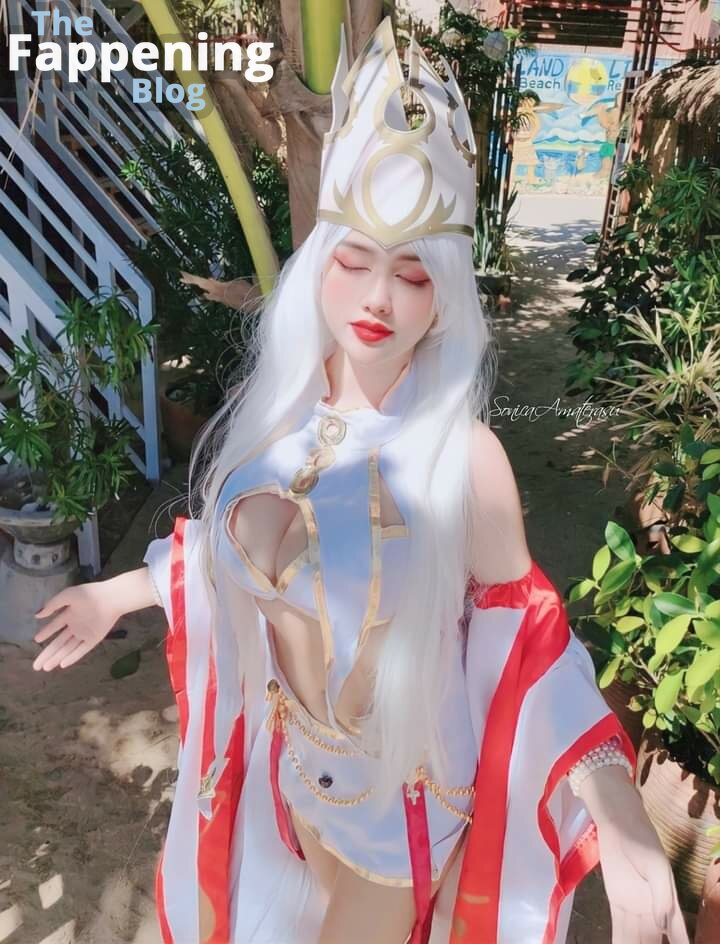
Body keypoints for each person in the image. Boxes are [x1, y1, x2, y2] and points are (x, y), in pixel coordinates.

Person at [31, 17, 689, 944]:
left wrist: (616, 809)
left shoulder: (463, 459)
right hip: (294, 780)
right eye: (353, 260)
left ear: (445, 298)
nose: (378, 297)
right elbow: (219, 559)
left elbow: (532, 639)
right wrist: (116, 595)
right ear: (319, 267)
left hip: (405, 808)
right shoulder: (276, 420)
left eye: (413, 275)